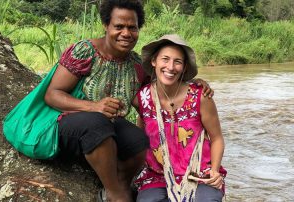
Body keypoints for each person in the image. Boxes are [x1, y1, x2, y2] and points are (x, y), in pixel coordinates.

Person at [44, 1, 213, 201]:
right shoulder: (85, 51)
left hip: (105, 126)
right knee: (96, 122)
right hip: (65, 122)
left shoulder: (134, 64)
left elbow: (158, 94)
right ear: (106, 26)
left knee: (139, 140)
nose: (126, 33)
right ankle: (116, 194)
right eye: (119, 26)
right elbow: (52, 94)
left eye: (132, 27)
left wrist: (191, 84)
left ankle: (119, 183)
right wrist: (94, 106)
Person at [133, 34, 227, 202]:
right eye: (165, 59)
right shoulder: (143, 98)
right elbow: (140, 137)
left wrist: (214, 170)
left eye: (178, 62)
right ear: (154, 61)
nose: (170, 67)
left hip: (199, 172)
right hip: (158, 175)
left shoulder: (201, 97)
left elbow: (217, 138)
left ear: (183, 68)